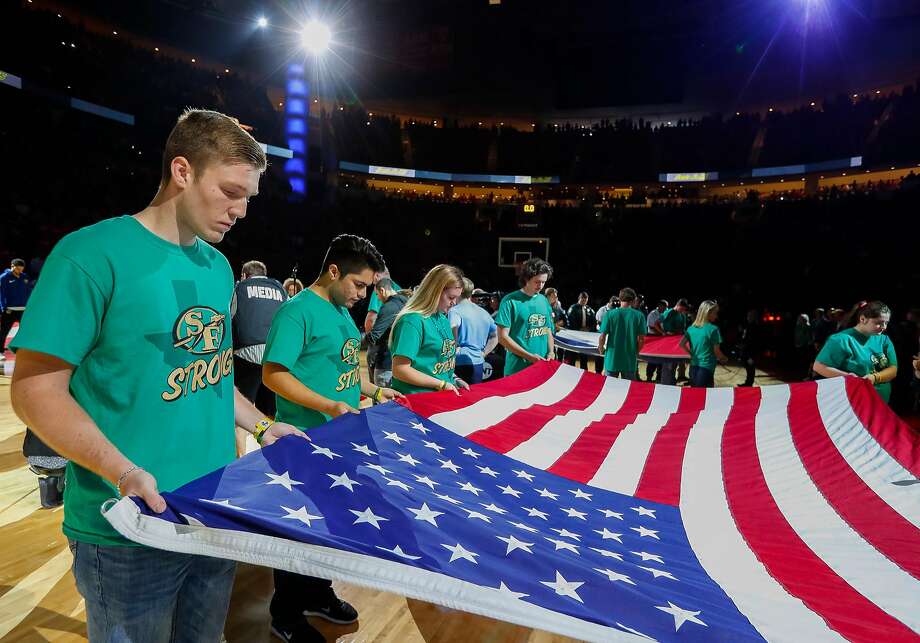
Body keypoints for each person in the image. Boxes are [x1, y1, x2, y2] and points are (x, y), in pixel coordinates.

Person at [9, 108, 306, 642]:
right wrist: (120, 469)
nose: (240, 211)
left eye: (248, 199)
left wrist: (262, 425)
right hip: (126, 524)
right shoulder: (89, 255)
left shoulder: (216, 268)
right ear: (183, 171)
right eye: (230, 192)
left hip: (211, 512)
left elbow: (209, 374)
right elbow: (34, 391)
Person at [262, 234, 403, 642]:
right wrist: (327, 405)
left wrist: (374, 390)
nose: (363, 294)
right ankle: (285, 614)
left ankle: (317, 592)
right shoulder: (297, 311)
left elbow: (343, 371)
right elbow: (274, 374)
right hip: (302, 440)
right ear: (334, 271)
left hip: (340, 439)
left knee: (330, 524)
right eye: (359, 285)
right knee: (297, 528)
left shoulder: (342, 312)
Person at [231, 259, 287, 454]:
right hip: (275, 356)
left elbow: (229, 317)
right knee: (270, 415)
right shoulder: (279, 288)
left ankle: (240, 458)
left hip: (245, 355)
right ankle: (275, 459)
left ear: (245, 275)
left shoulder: (240, 288)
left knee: (240, 414)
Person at [390, 264, 469, 394]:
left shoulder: (442, 318)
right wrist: (441, 384)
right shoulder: (412, 321)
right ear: (435, 291)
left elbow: (438, 362)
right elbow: (400, 370)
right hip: (415, 402)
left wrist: (454, 378)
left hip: (436, 400)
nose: (454, 303)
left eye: (456, 298)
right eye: (451, 297)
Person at [813, 300, 898, 404]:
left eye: (886, 323)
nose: (884, 327)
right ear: (863, 319)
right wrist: (848, 376)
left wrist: (874, 377)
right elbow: (819, 366)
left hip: (881, 401)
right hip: (852, 402)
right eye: (879, 323)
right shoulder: (840, 339)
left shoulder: (884, 340)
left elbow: (893, 369)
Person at [496, 258, 555, 376]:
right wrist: (530, 357)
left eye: (544, 282)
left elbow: (547, 330)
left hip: (541, 368)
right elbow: (502, 338)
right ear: (526, 278)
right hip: (517, 370)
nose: (541, 286)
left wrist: (551, 352)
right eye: (537, 282)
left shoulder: (543, 300)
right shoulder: (509, 301)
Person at [449, 277, 498, 384]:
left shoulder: (454, 311)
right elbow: (495, 335)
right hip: (478, 363)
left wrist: (454, 347)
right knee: (473, 398)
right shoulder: (483, 312)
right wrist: (484, 353)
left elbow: (454, 327)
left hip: (458, 362)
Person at [367, 277, 409, 389]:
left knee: (382, 402)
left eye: (377, 294)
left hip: (386, 363)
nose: (378, 298)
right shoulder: (407, 302)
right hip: (404, 363)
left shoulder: (389, 307)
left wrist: (357, 338)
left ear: (382, 290)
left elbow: (374, 336)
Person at [597, 287, 646, 379]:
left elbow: (602, 337)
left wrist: (601, 349)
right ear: (634, 300)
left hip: (612, 358)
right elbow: (641, 339)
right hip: (629, 359)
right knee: (628, 391)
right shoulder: (639, 316)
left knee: (609, 389)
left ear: (619, 299)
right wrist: (636, 352)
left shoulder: (610, 314)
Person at [679, 300, 728, 388]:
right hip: (706, 368)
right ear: (707, 313)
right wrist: (723, 358)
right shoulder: (713, 329)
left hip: (693, 367)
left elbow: (682, 344)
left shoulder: (691, 328)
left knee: (695, 395)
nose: (716, 316)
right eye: (715, 313)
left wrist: (691, 354)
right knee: (705, 397)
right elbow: (716, 351)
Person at [0, 258, 33, 353]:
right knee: (4, 332)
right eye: (18, 268)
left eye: (21, 268)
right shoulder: (4, 277)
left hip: (23, 310)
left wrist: (29, 306)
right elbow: (1, 294)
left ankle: (24, 349)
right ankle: (0, 352)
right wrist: (3, 308)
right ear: (12, 266)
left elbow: (28, 292)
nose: (20, 270)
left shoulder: (25, 277)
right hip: (9, 310)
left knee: (26, 330)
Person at [738, 309, 762, 387]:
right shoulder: (748, 326)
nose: (748, 317)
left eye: (749, 316)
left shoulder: (754, 328)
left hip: (750, 353)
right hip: (746, 352)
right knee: (748, 368)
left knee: (750, 368)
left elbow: (754, 343)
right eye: (748, 316)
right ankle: (748, 382)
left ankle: (749, 383)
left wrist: (751, 356)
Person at [645, 299, 668, 382]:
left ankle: (659, 377)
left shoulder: (666, 314)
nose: (666, 308)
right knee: (652, 359)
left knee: (661, 359)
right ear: (660, 306)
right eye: (665, 306)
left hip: (662, 338)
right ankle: (649, 377)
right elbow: (651, 326)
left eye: (666, 307)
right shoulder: (653, 314)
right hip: (653, 338)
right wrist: (661, 333)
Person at [793, 313, 815, 380]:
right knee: (800, 361)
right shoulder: (798, 326)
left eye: (802, 318)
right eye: (800, 318)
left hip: (805, 346)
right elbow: (796, 336)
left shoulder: (808, 326)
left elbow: (808, 337)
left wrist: (806, 343)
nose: (800, 319)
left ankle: (806, 375)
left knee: (805, 361)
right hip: (798, 345)